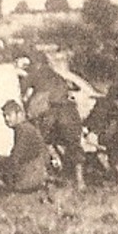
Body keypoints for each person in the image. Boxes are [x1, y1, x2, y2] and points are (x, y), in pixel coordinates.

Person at [22, 53, 86, 190]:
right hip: (69, 110)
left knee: (41, 141)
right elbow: (74, 87)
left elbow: (21, 90)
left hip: (49, 111)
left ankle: (48, 175)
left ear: (35, 64)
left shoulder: (34, 74)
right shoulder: (58, 76)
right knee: (74, 144)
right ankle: (80, 181)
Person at [0, 99, 49, 195]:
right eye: (4, 116)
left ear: (19, 114)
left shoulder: (23, 130)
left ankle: (2, 195)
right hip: (37, 171)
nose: (6, 119)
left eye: (9, 115)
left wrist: (0, 162)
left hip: (31, 175)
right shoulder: (26, 128)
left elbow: (16, 158)